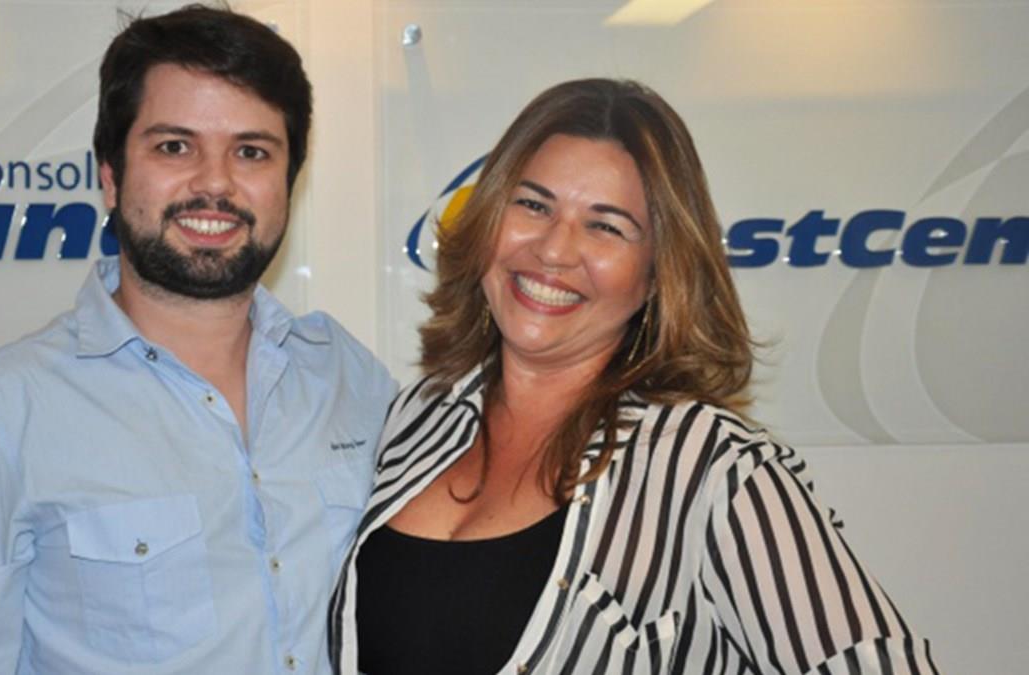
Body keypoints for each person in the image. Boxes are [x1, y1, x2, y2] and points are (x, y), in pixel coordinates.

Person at [329, 79, 939, 674]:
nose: (554, 250)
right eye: (533, 205)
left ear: (656, 275)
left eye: (606, 226)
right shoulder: (415, 419)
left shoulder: (713, 467)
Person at [0, 6, 396, 674]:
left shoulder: (350, 381)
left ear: (288, 182)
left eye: (251, 151)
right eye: (175, 146)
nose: (215, 183)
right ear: (110, 176)